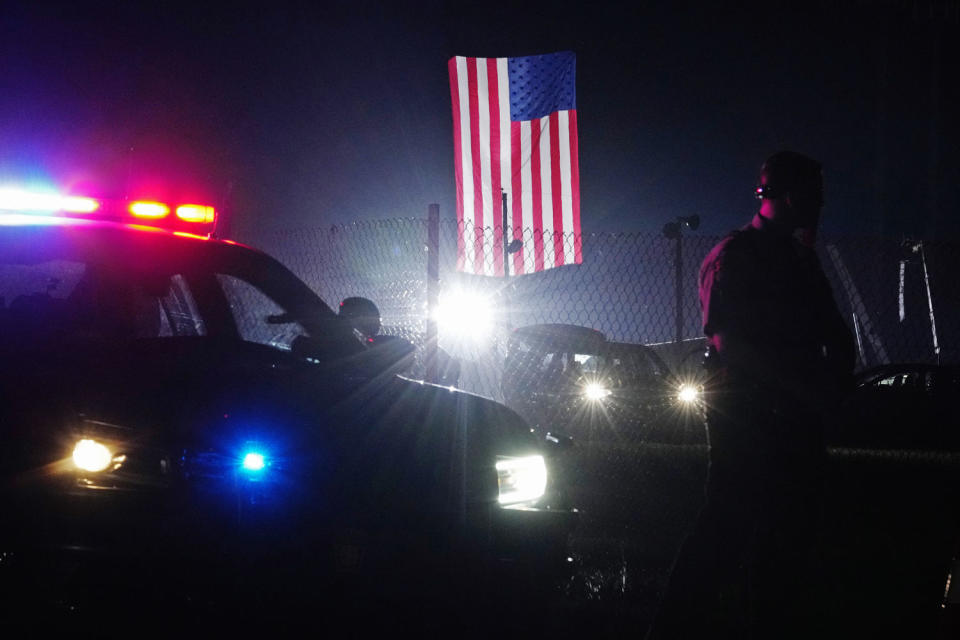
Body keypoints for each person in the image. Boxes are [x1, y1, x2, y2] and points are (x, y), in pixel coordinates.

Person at [648, 151, 855, 639]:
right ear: (790, 197)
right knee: (728, 526)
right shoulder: (737, 257)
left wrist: (830, 383)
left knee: (784, 536)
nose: (820, 206)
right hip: (748, 415)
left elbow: (834, 331)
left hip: (790, 415)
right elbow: (730, 344)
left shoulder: (796, 258)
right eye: (813, 196)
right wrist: (809, 388)